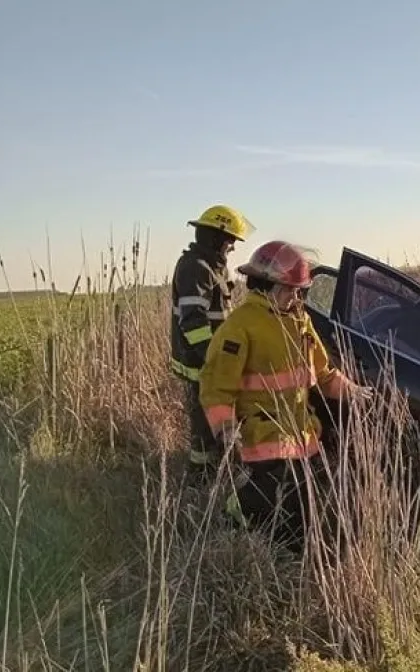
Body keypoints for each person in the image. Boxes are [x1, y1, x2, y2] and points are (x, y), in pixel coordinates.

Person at [197, 240, 372, 552]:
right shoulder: (239, 327)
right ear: (267, 285)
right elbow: (216, 387)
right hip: (263, 436)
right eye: (290, 290)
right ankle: (238, 522)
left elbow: (325, 374)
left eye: (298, 291)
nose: (296, 297)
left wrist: (355, 393)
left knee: (302, 511)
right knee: (270, 505)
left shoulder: (299, 321)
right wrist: (225, 431)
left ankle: (287, 548)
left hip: (301, 434)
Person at [170, 204, 256, 480]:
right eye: (230, 240)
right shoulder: (194, 268)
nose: (232, 247)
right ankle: (199, 481)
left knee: (214, 422)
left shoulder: (213, 268)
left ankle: (214, 472)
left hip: (211, 363)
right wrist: (213, 359)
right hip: (201, 364)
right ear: (217, 237)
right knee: (204, 429)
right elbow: (193, 322)